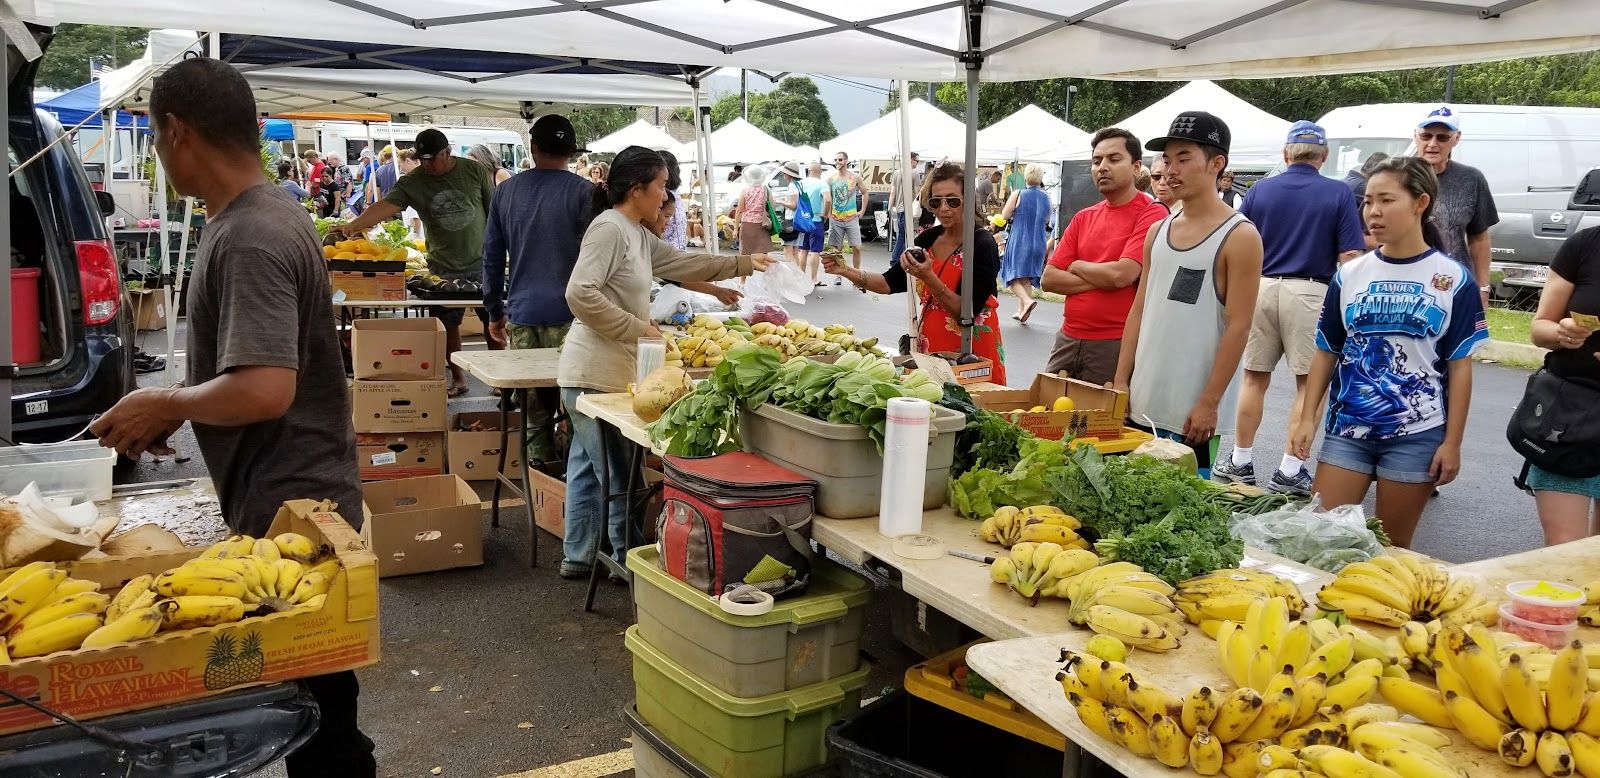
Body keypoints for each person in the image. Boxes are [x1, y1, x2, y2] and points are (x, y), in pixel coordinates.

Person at [87, 56, 375, 778]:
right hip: (285, 495)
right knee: (314, 713)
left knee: (317, 723)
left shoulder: (252, 234)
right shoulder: (256, 216)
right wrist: (181, 413)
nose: (157, 152)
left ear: (177, 131)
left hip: (294, 513)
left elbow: (265, 389)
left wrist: (167, 402)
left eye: (155, 137)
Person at [558, 146, 771, 578]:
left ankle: (578, 558)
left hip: (601, 372)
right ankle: (624, 565)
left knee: (586, 469)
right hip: (591, 373)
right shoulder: (610, 229)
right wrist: (638, 329)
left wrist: (743, 262)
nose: (665, 194)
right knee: (618, 478)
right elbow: (580, 293)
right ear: (637, 190)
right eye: (661, 186)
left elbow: (680, 261)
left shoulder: (634, 231)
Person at [1290, 156, 1487, 548]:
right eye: (1368, 201)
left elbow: (1460, 367)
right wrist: (1306, 417)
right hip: (1348, 430)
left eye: (1386, 200)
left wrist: (1452, 443)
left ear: (1421, 203)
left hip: (1417, 434)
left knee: (1391, 552)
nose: (1373, 212)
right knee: (1321, 542)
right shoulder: (1349, 274)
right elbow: (1327, 351)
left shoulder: (1451, 279)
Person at [1214, 121, 1367, 496]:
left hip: (1260, 286)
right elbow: (1349, 256)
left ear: (1286, 154)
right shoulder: (1338, 192)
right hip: (1310, 289)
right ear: (1324, 155)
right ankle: (1289, 468)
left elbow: (1237, 235)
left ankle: (1240, 461)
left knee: (1253, 377)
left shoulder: (1260, 190)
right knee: (1308, 385)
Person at [1115, 112, 1264, 480]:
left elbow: (1239, 326)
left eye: (1184, 158)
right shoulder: (1157, 231)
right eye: (1167, 159)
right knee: (1129, 502)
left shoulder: (1240, 236)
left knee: (1180, 512)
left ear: (1217, 164)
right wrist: (1120, 382)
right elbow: (1139, 310)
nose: (1171, 169)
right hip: (1141, 402)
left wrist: (1209, 402)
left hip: (1192, 414)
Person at [334, 129, 493, 397]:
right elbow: (385, 206)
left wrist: (499, 251)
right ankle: (458, 378)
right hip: (442, 264)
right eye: (423, 159)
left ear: (447, 152)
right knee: (448, 325)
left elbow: (493, 209)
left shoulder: (473, 171)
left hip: (483, 261)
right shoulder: (414, 181)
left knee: (493, 322)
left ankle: (498, 380)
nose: (428, 165)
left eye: (433, 158)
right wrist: (351, 226)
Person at [824, 161, 1008, 384]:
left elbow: (965, 313)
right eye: (936, 201)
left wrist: (927, 276)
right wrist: (845, 270)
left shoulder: (982, 243)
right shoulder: (928, 239)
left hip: (971, 353)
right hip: (933, 346)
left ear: (968, 200)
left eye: (952, 200)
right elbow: (887, 283)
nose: (944, 208)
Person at [481, 114, 593, 468]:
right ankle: (576, 476)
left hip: (524, 313)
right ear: (571, 152)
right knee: (579, 406)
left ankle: (540, 476)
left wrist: (494, 311)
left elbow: (492, 256)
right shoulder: (585, 193)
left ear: (533, 147)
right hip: (574, 318)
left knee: (534, 408)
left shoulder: (506, 191)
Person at [1043, 128, 1167, 388]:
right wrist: (1106, 279)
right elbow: (1049, 279)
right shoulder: (1084, 217)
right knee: (1047, 419)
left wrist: (1076, 266)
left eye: (1114, 159)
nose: (1102, 167)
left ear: (1136, 167)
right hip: (1067, 337)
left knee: (1101, 424)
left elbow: (1123, 274)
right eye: (1097, 161)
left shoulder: (1151, 213)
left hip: (1114, 343)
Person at [1523, 226, 1600, 545]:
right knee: (1564, 561)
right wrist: (1562, 333)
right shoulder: (1584, 245)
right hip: (1568, 419)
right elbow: (1540, 328)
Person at [1414, 107, 1498, 308]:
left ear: (1456, 138)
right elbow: (1368, 234)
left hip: (1455, 287)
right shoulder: (1397, 176)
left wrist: (1483, 288)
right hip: (1406, 285)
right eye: (1426, 136)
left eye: (1442, 138)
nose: (1432, 144)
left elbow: (1479, 239)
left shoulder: (1471, 179)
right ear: (1415, 136)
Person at [998, 164, 1053, 322]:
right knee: (1026, 278)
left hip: (1021, 239)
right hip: (1039, 240)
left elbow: (1005, 214)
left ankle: (1027, 302)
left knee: (1011, 274)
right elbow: (1048, 219)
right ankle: (1022, 310)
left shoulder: (1018, 193)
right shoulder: (1046, 197)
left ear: (1026, 176)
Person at [824, 151, 867, 284]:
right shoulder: (831, 179)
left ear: (846, 161)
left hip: (851, 218)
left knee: (857, 247)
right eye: (836, 159)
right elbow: (827, 198)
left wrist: (862, 210)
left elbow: (865, 193)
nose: (838, 162)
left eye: (840, 159)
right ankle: (839, 275)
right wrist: (829, 213)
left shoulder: (855, 177)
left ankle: (856, 275)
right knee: (837, 249)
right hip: (836, 219)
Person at [888, 152, 924, 265]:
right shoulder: (914, 174)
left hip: (898, 209)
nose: (917, 163)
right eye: (916, 161)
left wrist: (889, 207)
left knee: (902, 234)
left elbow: (893, 192)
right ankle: (895, 259)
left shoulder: (897, 173)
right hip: (908, 208)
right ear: (911, 160)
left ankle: (899, 259)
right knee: (904, 235)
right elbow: (918, 192)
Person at [734, 164, 776, 257]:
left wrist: (736, 229)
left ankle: (748, 271)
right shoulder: (766, 190)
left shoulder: (745, 191)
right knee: (763, 254)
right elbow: (773, 206)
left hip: (747, 224)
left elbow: (739, 210)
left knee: (746, 254)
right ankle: (765, 271)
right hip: (762, 224)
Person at [797, 161, 828, 285]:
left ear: (809, 171)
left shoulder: (800, 184)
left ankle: (801, 278)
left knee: (803, 250)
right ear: (819, 171)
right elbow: (828, 200)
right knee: (815, 251)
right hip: (816, 220)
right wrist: (825, 214)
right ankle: (814, 279)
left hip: (803, 220)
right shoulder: (822, 183)